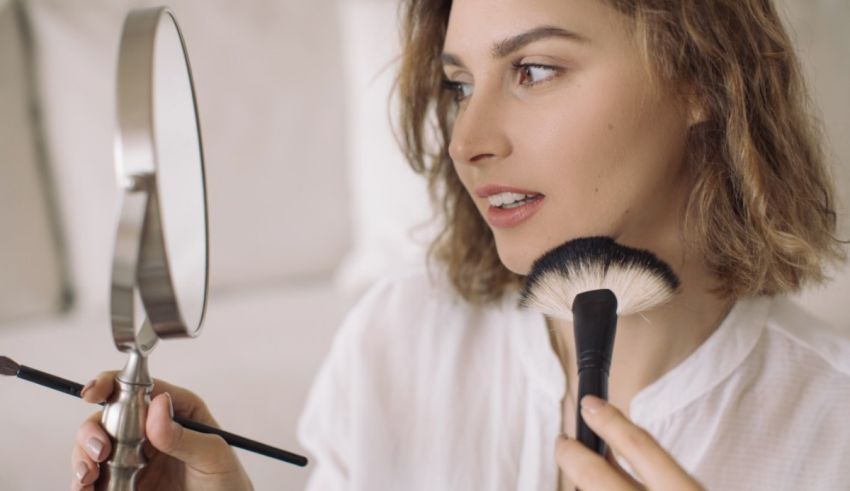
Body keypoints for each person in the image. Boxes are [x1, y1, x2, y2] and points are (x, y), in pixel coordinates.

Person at [70, 0, 849, 489]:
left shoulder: (831, 425)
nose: (467, 139)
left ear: (702, 79)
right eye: (459, 86)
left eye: (534, 70)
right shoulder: (398, 339)